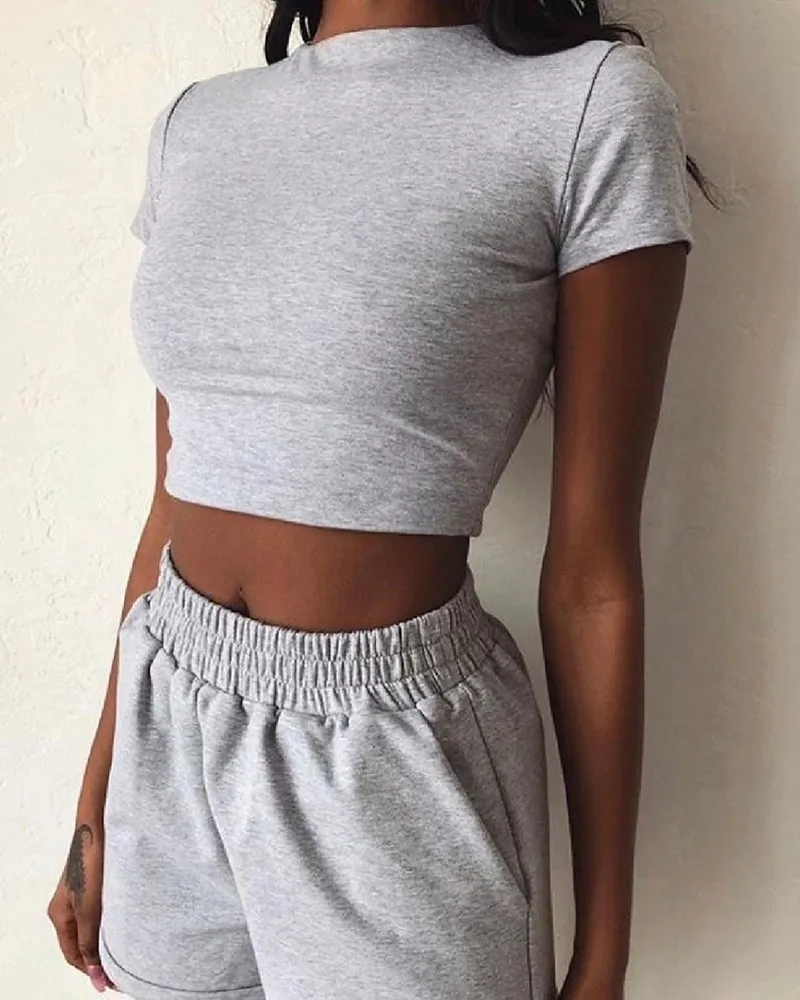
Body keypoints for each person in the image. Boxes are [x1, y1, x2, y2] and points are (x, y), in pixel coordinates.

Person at [47, 1, 697, 998]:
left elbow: (591, 575)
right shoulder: (196, 123)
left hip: (390, 757)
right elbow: (170, 501)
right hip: (168, 717)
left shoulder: (589, 109)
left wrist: (602, 953)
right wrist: (95, 806)